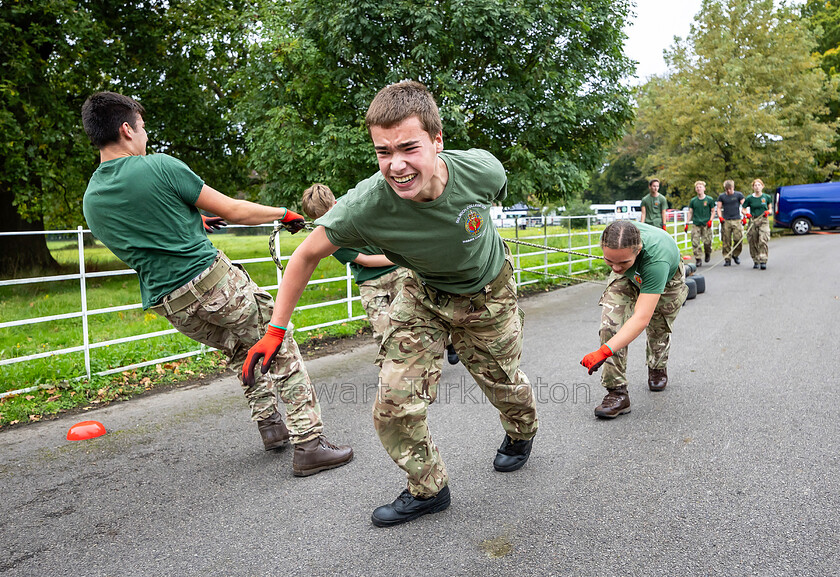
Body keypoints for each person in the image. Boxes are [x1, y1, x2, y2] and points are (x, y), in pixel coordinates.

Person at [243, 81, 539, 527]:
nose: (396, 165)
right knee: (393, 402)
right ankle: (428, 488)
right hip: (423, 295)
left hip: (488, 294)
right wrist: (275, 330)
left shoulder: (483, 171)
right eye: (383, 152)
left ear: (438, 141)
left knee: (503, 384)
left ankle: (522, 433)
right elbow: (305, 254)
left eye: (408, 148)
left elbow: (482, 206)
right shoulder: (366, 204)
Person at [80, 92, 352, 476]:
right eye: (142, 128)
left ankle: (271, 426)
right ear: (126, 129)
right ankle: (309, 444)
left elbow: (145, 240)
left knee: (242, 351)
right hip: (213, 283)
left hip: (170, 305)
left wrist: (192, 223)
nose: (145, 137)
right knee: (279, 340)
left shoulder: (92, 199)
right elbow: (235, 209)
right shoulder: (158, 166)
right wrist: (284, 213)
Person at [301, 183, 461, 365]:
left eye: (328, 215)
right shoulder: (325, 236)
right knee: (382, 328)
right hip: (371, 281)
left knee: (419, 317)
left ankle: (448, 342)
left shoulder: (357, 207)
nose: (327, 222)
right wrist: (400, 257)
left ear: (336, 204)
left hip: (398, 271)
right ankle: (392, 367)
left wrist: (403, 257)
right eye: (320, 219)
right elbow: (365, 261)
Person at [580, 220, 689, 419]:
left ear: (638, 250)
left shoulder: (657, 261)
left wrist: (603, 352)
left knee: (658, 327)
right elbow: (618, 265)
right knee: (610, 326)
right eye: (609, 261)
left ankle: (657, 365)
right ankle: (617, 393)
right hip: (631, 277)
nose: (615, 267)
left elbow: (641, 318)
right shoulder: (615, 238)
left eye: (623, 262)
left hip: (666, 279)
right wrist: (621, 265)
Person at [684, 181, 717, 266]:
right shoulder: (693, 200)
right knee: (695, 242)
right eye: (697, 187)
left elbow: (713, 211)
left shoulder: (709, 199)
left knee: (707, 242)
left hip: (706, 223)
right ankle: (698, 258)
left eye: (700, 187)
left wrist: (710, 220)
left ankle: (707, 252)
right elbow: (690, 212)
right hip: (696, 223)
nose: (699, 189)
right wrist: (687, 223)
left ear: (704, 188)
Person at [742, 178, 773, 269]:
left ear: (762, 186)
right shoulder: (749, 198)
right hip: (753, 220)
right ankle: (755, 259)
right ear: (753, 187)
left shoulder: (766, 197)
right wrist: (746, 214)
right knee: (753, 240)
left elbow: (770, 208)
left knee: (763, 239)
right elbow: (743, 209)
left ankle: (763, 259)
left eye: (759, 185)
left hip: (763, 220)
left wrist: (768, 212)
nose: (757, 187)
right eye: (755, 185)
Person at [716, 180, 746, 266]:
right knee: (726, 240)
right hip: (726, 220)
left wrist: (745, 216)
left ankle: (735, 254)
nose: (728, 191)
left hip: (736, 219)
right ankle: (727, 259)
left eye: (730, 189)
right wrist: (720, 217)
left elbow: (744, 206)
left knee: (738, 238)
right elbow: (718, 207)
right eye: (726, 189)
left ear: (733, 188)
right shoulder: (722, 196)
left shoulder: (738, 195)